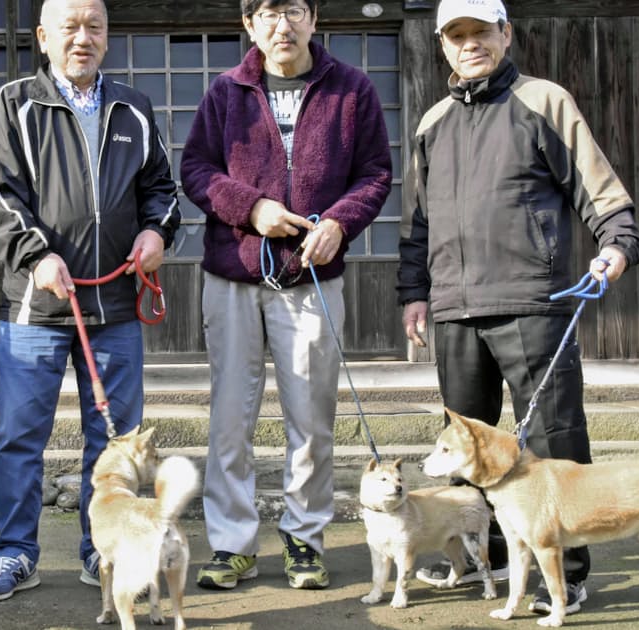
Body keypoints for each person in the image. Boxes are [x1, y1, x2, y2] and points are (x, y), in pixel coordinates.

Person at [397, 0, 639, 615]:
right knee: (466, 446)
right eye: (457, 35)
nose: (470, 44)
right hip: (454, 308)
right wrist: (414, 293)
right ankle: (493, 560)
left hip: (533, 300)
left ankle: (570, 575)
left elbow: (597, 186)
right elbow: (418, 222)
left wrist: (617, 242)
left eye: (482, 31)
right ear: (442, 44)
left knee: (556, 438)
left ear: (506, 33)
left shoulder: (543, 101)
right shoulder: (432, 122)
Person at [0, 0, 180, 602]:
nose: (82, 38)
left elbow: (161, 189)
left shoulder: (132, 108)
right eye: (70, 27)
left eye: (94, 27)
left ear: (107, 37)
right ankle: (14, 552)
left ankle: (103, 549)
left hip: (114, 306)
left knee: (112, 440)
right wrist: (36, 255)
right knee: (20, 436)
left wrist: (155, 233)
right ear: (44, 37)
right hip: (36, 307)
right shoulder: (15, 104)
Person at [180, 0, 391, 591]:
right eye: (269, 12)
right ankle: (232, 544)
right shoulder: (225, 91)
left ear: (314, 18)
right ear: (249, 24)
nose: (283, 25)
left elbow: (376, 173)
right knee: (230, 419)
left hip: (312, 276)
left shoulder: (352, 89)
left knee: (312, 418)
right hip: (233, 274)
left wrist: (340, 223)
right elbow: (195, 170)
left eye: (294, 10)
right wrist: (251, 209)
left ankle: (304, 539)